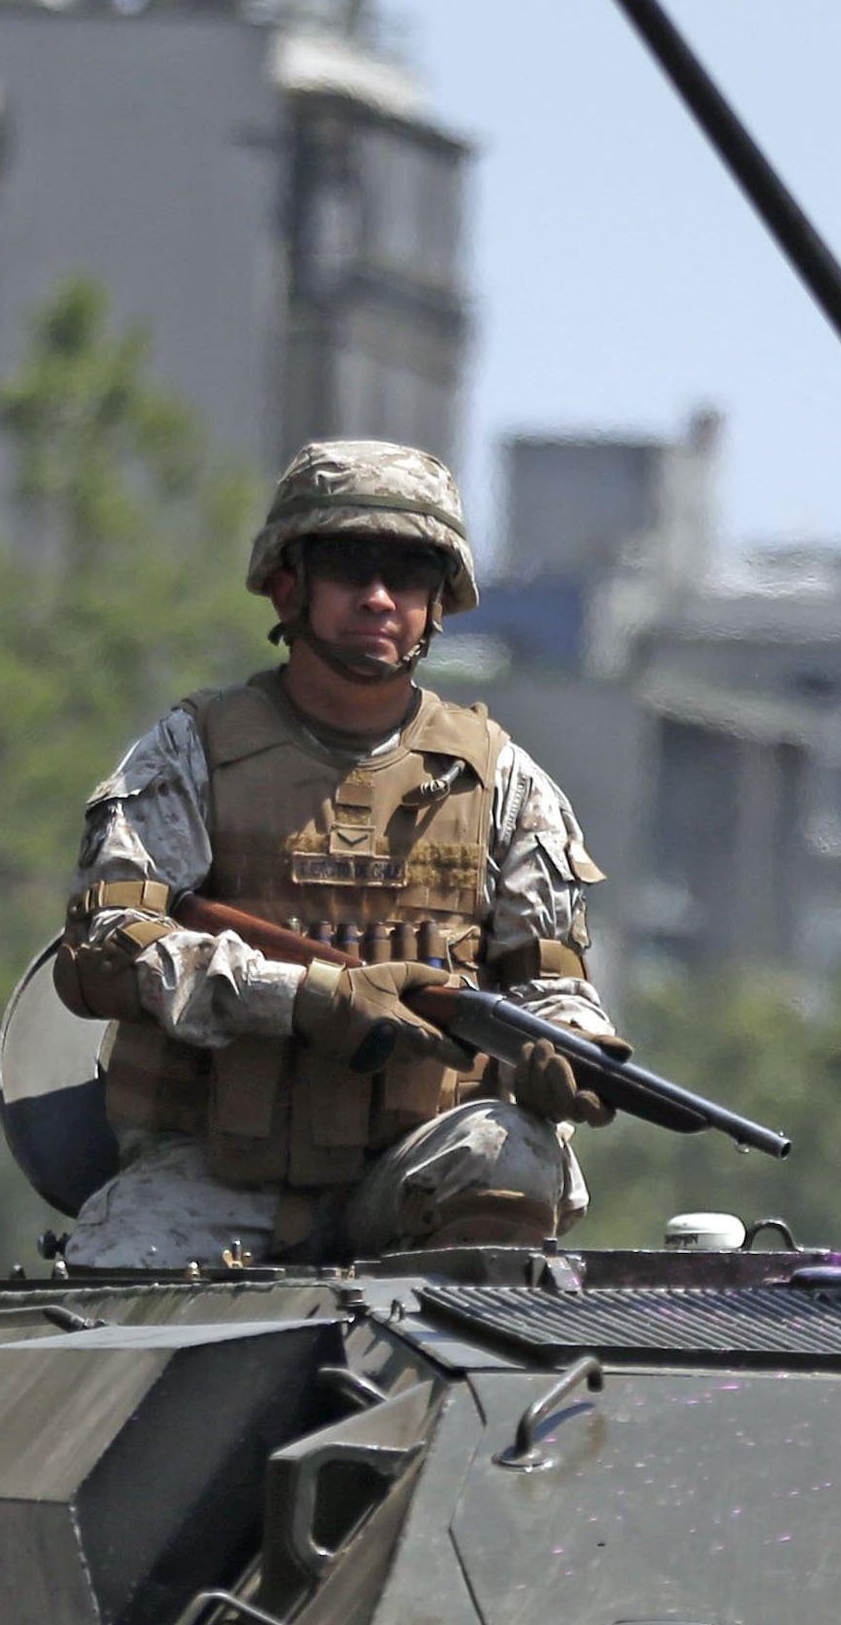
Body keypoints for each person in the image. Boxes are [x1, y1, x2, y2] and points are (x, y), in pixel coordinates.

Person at [50, 441, 621, 1268]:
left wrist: (566, 1055)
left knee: (512, 1157)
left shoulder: (500, 783)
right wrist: (307, 999)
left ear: (439, 603)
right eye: (352, 567)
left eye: (410, 573)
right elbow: (110, 948)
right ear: (290, 585)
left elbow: (554, 980)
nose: (380, 598)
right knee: (111, 1288)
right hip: (213, 1179)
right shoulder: (191, 753)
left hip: (416, 1175)